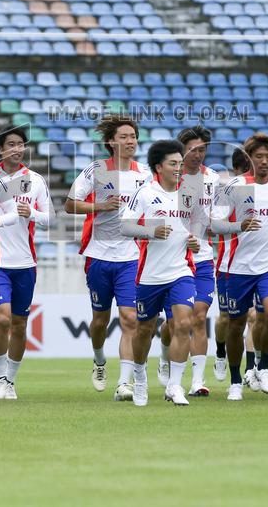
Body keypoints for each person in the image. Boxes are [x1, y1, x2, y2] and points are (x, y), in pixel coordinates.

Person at [64, 114, 148, 400]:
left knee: (129, 318)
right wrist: (99, 206)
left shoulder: (144, 174)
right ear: (111, 142)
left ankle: (123, 383)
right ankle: (99, 360)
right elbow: (69, 204)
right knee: (100, 320)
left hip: (130, 256)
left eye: (133, 136)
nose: (130, 141)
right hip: (99, 256)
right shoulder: (96, 170)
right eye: (124, 136)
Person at [211, 133, 268, 400]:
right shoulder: (235, 186)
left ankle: (262, 367)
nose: (264, 161)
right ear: (249, 159)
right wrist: (238, 226)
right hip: (235, 268)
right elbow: (213, 224)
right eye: (259, 156)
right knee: (235, 325)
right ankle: (235, 380)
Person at [122, 140, 200, 406]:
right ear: (158, 167)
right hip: (150, 276)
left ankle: (175, 386)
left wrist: (195, 242)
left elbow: (197, 228)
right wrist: (150, 232)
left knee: (184, 324)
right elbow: (126, 227)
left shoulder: (189, 194)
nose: (179, 168)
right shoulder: (145, 194)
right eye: (173, 164)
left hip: (182, 271)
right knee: (143, 330)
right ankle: (140, 378)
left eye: (180, 163)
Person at [0, 127, 53, 400]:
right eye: (11, 144)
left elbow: (49, 217)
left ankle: (10, 381)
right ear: (1, 149)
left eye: (20, 144)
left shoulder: (35, 180)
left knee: (19, 323)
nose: (16, 149)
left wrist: (33, 213)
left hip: (25, 263)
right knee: (1, 319)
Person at [175, 126, 220, 396]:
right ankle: (170, 358)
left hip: (202, 256)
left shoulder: (213, 179)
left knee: (199, 316)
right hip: (173, 259)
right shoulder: (169, 176)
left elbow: (216, 218)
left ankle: (197, 381)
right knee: (175, 324)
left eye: (202, 149)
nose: (197, 154)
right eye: (192, 149)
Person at [212, 147, 250, 381]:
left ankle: (253, 369)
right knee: (227, 318)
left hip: (259, 267)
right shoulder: (227, 192)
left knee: (257, 317)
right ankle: (219, 352)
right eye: (245, 170)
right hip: (229, 266)